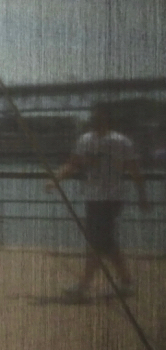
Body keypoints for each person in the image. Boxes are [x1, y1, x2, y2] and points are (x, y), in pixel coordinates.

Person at [48, 103, 149, 299]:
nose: (96, 121)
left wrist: (142, 196)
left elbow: (134, 170)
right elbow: (73, 164)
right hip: (92, 197)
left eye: (100, 118)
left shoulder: (121, 142)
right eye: (94, 117)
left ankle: (85, 285)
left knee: (97, 241)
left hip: (112, 197)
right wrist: (56, 179)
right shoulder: (85, 140)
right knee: (105, 241)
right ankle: (125, 281)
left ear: (108, 120)